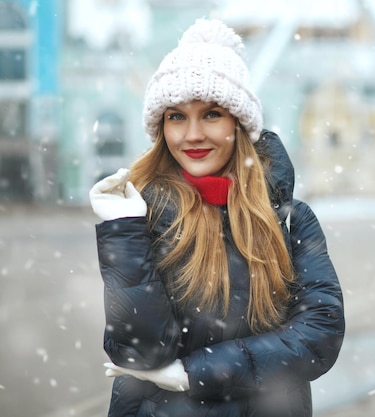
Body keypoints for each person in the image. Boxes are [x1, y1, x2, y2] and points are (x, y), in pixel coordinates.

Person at [89, 18, 345, 417]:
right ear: (160, 127)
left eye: (211, 114)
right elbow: (140, 351)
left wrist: (197, 373)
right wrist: (120, 232)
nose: (191, 135)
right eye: (175, 116)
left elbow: (318, 338)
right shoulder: (142, 216)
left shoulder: (291, 219)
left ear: (239, 124)